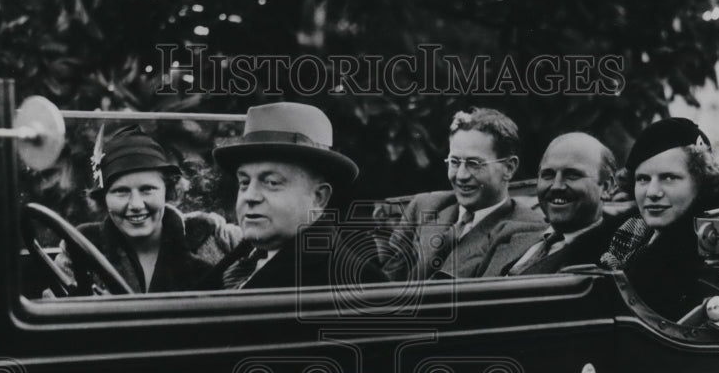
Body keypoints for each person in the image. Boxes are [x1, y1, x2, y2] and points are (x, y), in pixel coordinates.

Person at [211, 102, 384, 289]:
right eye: (244, 182)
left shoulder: (357, 283)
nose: (250, 196)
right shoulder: (241, 258)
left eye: (272, 183)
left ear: (319, 197)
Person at [600, 117, 719, 320]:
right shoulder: (630, 231)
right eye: (643, 179)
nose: (652, 192)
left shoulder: (709, 253)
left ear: (702, 182)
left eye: (669, 178)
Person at [56, 125, 239, 294]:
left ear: (167, 190)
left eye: (147, 189)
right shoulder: (80, 248)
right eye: (121, 191)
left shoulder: (213, 237)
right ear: (103, 198)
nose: (136, 205)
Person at [377, 107, 543, 281]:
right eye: (455, 162)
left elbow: (485, 294)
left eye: (474, 164)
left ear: (509, 168)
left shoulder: (527, 228)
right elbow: (386, 282)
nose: (461, 176)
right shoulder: (424, 206)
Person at [476, 132, 623, 277]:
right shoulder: (508, 235)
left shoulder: (613, 256)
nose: (556, 186)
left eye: (572, 175)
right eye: (548, 175)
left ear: (607, 187)